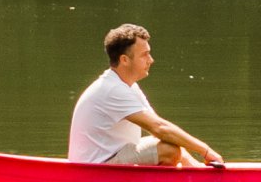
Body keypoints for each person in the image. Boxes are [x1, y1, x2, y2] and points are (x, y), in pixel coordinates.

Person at [68, 23, 223, 168]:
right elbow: (159, 128)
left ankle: (198, 173)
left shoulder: (127, 86)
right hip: (94, 170)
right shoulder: (113, 89)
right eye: (145, 55)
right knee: (168, 151)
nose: (151, 60)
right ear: (124, 60)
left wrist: (197, 162)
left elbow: (162, 129)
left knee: (170, 141)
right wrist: (206, 151)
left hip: (106, 161)